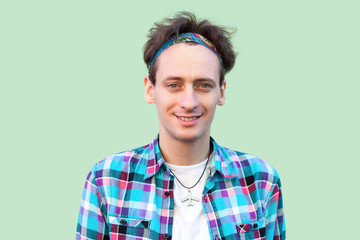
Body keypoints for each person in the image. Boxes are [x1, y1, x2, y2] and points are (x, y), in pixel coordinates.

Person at [76, 11, 285, 240]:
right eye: (174, 85)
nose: (189, 103)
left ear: (221, 91)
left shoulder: (260, 180)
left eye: (203, 85)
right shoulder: (106, 179)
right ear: (150, 89)